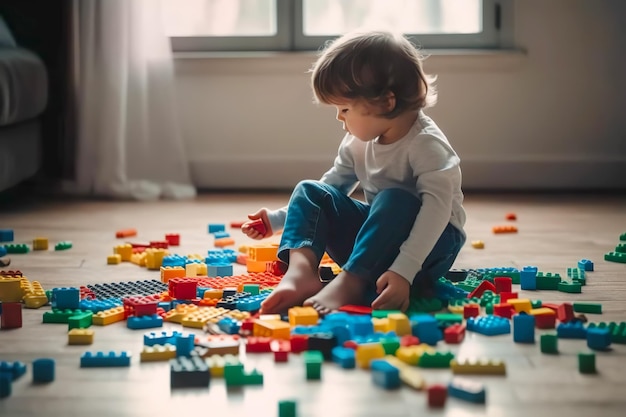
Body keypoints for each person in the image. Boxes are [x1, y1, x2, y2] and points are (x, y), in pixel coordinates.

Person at [242, 30, 466, 315]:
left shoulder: (426, 145)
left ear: (386, 102)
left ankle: (352, 282)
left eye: (345, 108)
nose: (339, 117)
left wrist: (404, 270)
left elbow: (437, 212)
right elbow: (332, 188)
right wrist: (276, 220)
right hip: (376, 244)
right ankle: (301, 273)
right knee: (310, 189)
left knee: (395, 199)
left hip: (431, 248)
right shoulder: (357, 141)